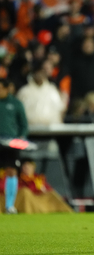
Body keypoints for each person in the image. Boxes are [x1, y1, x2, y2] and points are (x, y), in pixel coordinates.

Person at [0, 78, 28, 214]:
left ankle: (9, 205)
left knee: (12, 171)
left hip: (10, 143)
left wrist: (22, 137)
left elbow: (24, 124)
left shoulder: (16, 104)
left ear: (7, 89)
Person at [17, 60, 66, 125]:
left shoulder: (52, 90)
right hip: (30, 129)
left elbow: (60, 109)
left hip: (51, 130)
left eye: (42, 73)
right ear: (33, 73)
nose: (40, 75)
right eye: (38, 72)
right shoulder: (24, 91)